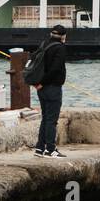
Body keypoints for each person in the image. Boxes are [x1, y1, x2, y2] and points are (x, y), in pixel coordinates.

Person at [33, 24, 68, 158]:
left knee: (45, 119)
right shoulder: (60, 48)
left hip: (41, 89)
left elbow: (33, 61)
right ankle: (51, 150)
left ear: (51, 34)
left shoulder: (44, 44)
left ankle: (39, 149)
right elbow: (55, 69)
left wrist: (37, 83)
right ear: (63, 36)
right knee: (51, 120)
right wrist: (43, 82)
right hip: (52, 88)